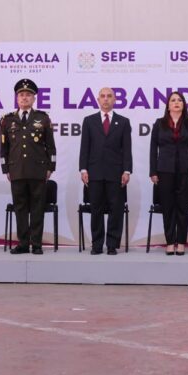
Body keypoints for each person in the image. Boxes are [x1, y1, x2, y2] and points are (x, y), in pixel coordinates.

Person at [0, 79, 56, 255]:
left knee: (37, 209)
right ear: (17, 98)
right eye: (21, 95)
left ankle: (37, 244)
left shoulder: (43, 118)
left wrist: (50, 167)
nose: (25, 98)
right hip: (16, 170)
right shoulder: (7, 120)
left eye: (28, 95)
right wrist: (6, 169)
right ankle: (23, 243)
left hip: (38, 170)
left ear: (34, 98)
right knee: (21, 209)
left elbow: (51, 146)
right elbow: (4, 148)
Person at [79, 87, 133, 256]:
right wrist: (83, 169)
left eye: (109, 96)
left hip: (116, 173)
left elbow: (127, 149)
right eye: (102, 96)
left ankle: (112, 244)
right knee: (96, 209)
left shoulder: (123, 122)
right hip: (94, 172)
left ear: (115, 99)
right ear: (98, 99)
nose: (106, 99)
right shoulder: (89, 121)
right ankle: (96, 244)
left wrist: (127, 170)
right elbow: (84, 148)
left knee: (116, 210)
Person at [149, 92, 188, 256]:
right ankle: (170, 242)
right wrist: (153, 171)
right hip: (164, 170)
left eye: (180, 100)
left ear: (184, 104)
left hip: (186, 169)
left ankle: (182, 242)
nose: (176, 102)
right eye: (173, 100)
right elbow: (153, 149)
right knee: (168, 207)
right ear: (168, 105)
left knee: (183, 207)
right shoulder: (159, 123)